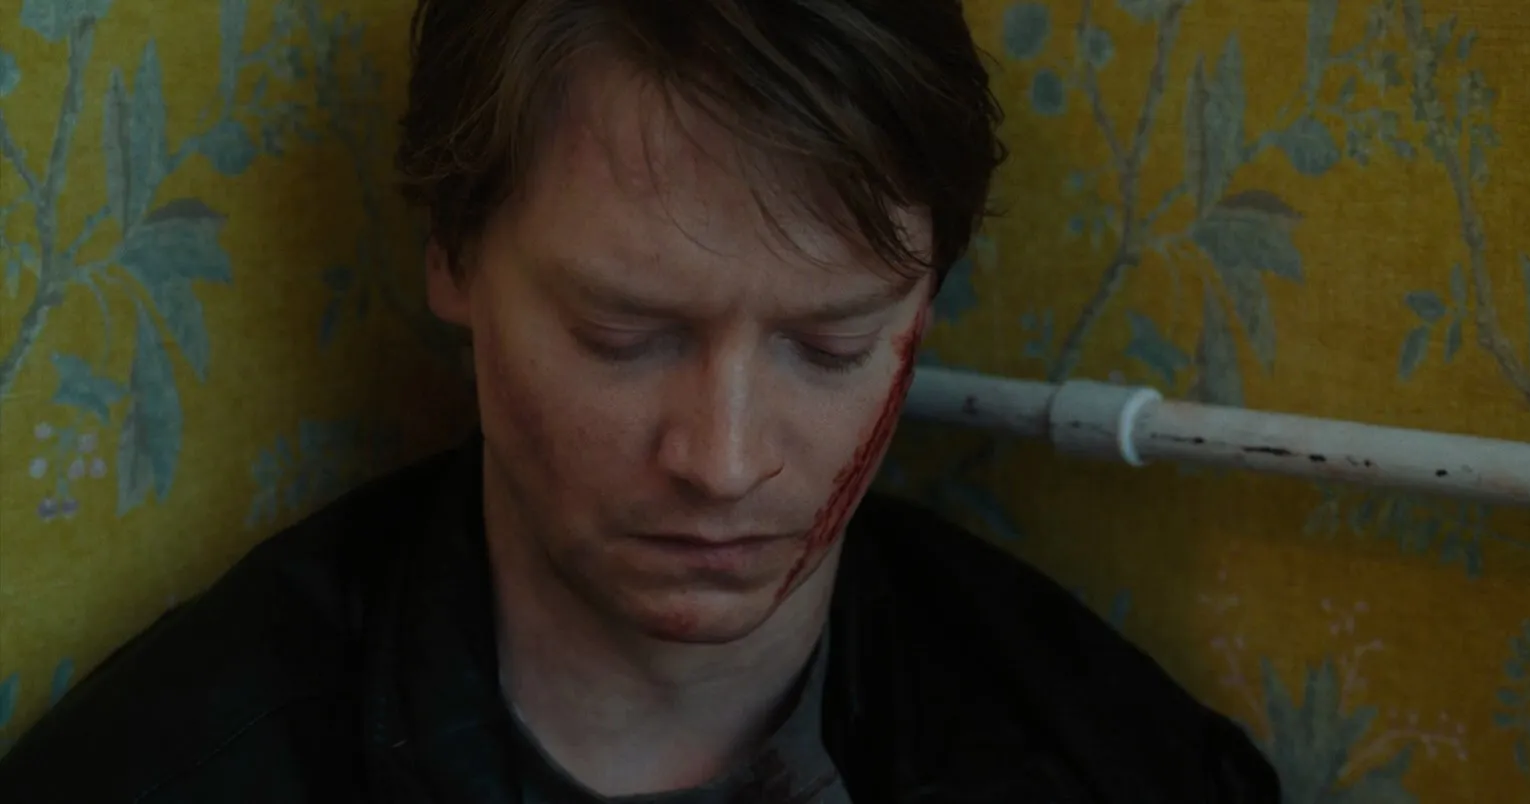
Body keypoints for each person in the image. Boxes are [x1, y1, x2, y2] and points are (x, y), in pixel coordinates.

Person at [0, 1, 1281, 801]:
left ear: (927, 300)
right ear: (451, 255)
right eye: (624, 335)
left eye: (831, 344)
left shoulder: (1121, 764)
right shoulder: (167, 771)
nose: (721, 461)